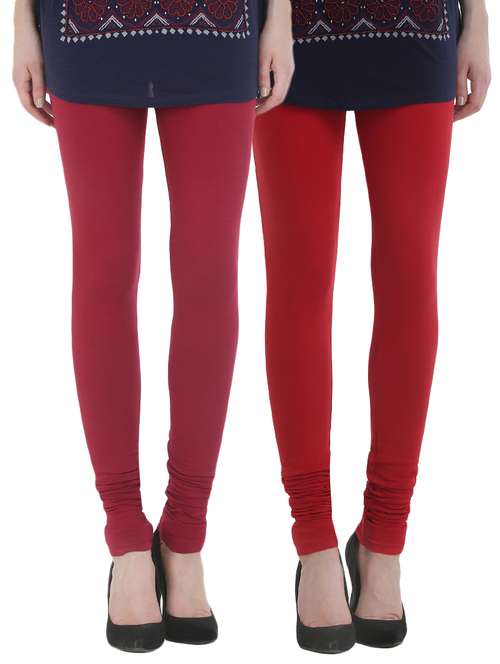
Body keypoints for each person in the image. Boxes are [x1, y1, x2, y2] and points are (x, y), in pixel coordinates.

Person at [12, 0, 294, 652]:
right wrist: (21, 23)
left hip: (220, 25)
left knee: (209, 273)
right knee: (103, 271)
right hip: (83, 25)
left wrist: (279, 17)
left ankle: (186, 531)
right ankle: (125, 537)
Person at [253, 0, 490, 653]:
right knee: (299, 281)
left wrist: (478, 20)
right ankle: (314, 540)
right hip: (288, 28)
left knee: (410, 276)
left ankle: (385, 537)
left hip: (416, 22)